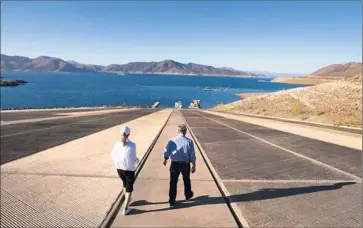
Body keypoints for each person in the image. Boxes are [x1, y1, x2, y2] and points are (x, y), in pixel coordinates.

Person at [163, 124, 196, 208]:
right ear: (185, 131)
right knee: (186, 180)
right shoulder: (189, 142)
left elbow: (167, 152)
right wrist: (194, 165)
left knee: (173, 182)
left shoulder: (172, 141)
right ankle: (188, 196)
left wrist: (165, 159)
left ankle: (172, 201)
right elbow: (192, 155)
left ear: (178, 131)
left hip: (174, 164)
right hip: (185, 164)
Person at [111, 126, 139, 215]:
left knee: (124, 184)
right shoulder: (132, 145)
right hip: (129, 169)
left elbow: (112, 155)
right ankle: (125, 208)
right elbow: (133, 159)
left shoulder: (116, 144)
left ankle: (128, 199)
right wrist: (137, 161)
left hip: (119, 168)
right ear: (129, 134)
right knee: (129, 188)